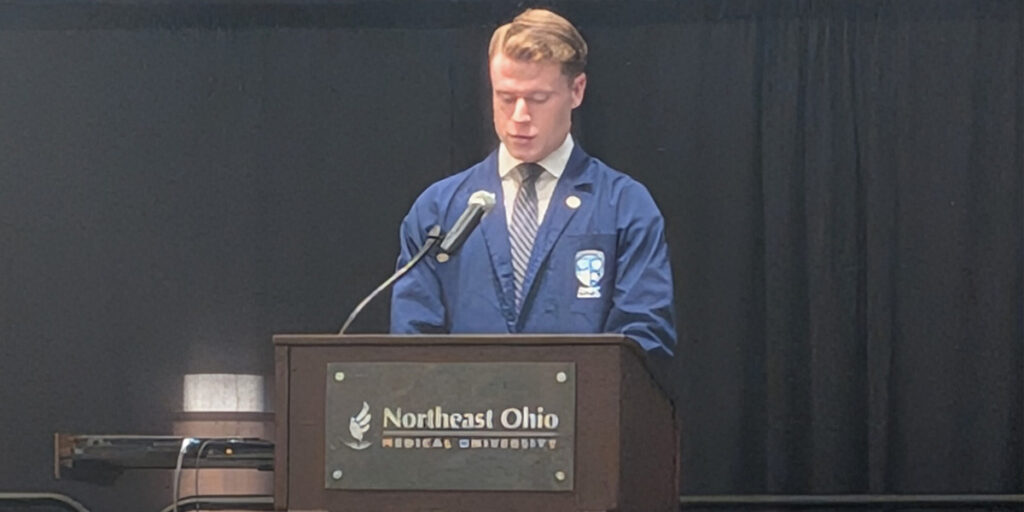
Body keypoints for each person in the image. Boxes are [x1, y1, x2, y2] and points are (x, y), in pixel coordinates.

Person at [390, 8, 676, 356]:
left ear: (577, 90)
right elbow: (411, 341)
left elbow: (642, 341)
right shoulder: (440, 208)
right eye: (506, 98)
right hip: (465, 409)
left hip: (581, 406)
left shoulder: (623, 206)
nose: (520, 116)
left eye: (538, 99)